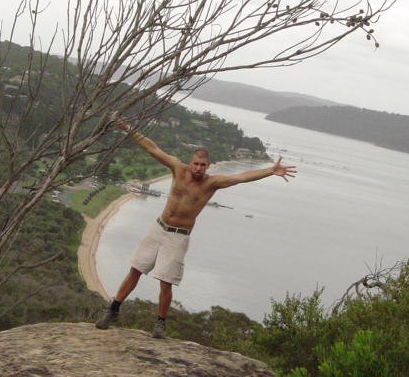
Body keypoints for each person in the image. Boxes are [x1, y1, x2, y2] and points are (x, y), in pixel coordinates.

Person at [95, 117, 297, 338]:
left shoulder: (212, 184)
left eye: (202, 165)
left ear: (208, 166)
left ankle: (160, 324)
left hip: (178, 237)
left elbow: (241, 177)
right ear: (190, 162)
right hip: (158, 228)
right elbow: (152, 148)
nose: (198, 168)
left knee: (166, 282)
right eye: (195, 164)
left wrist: (270, 170)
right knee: (135, 270)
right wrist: (128, 129)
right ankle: (112, 309)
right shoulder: (177, 169)